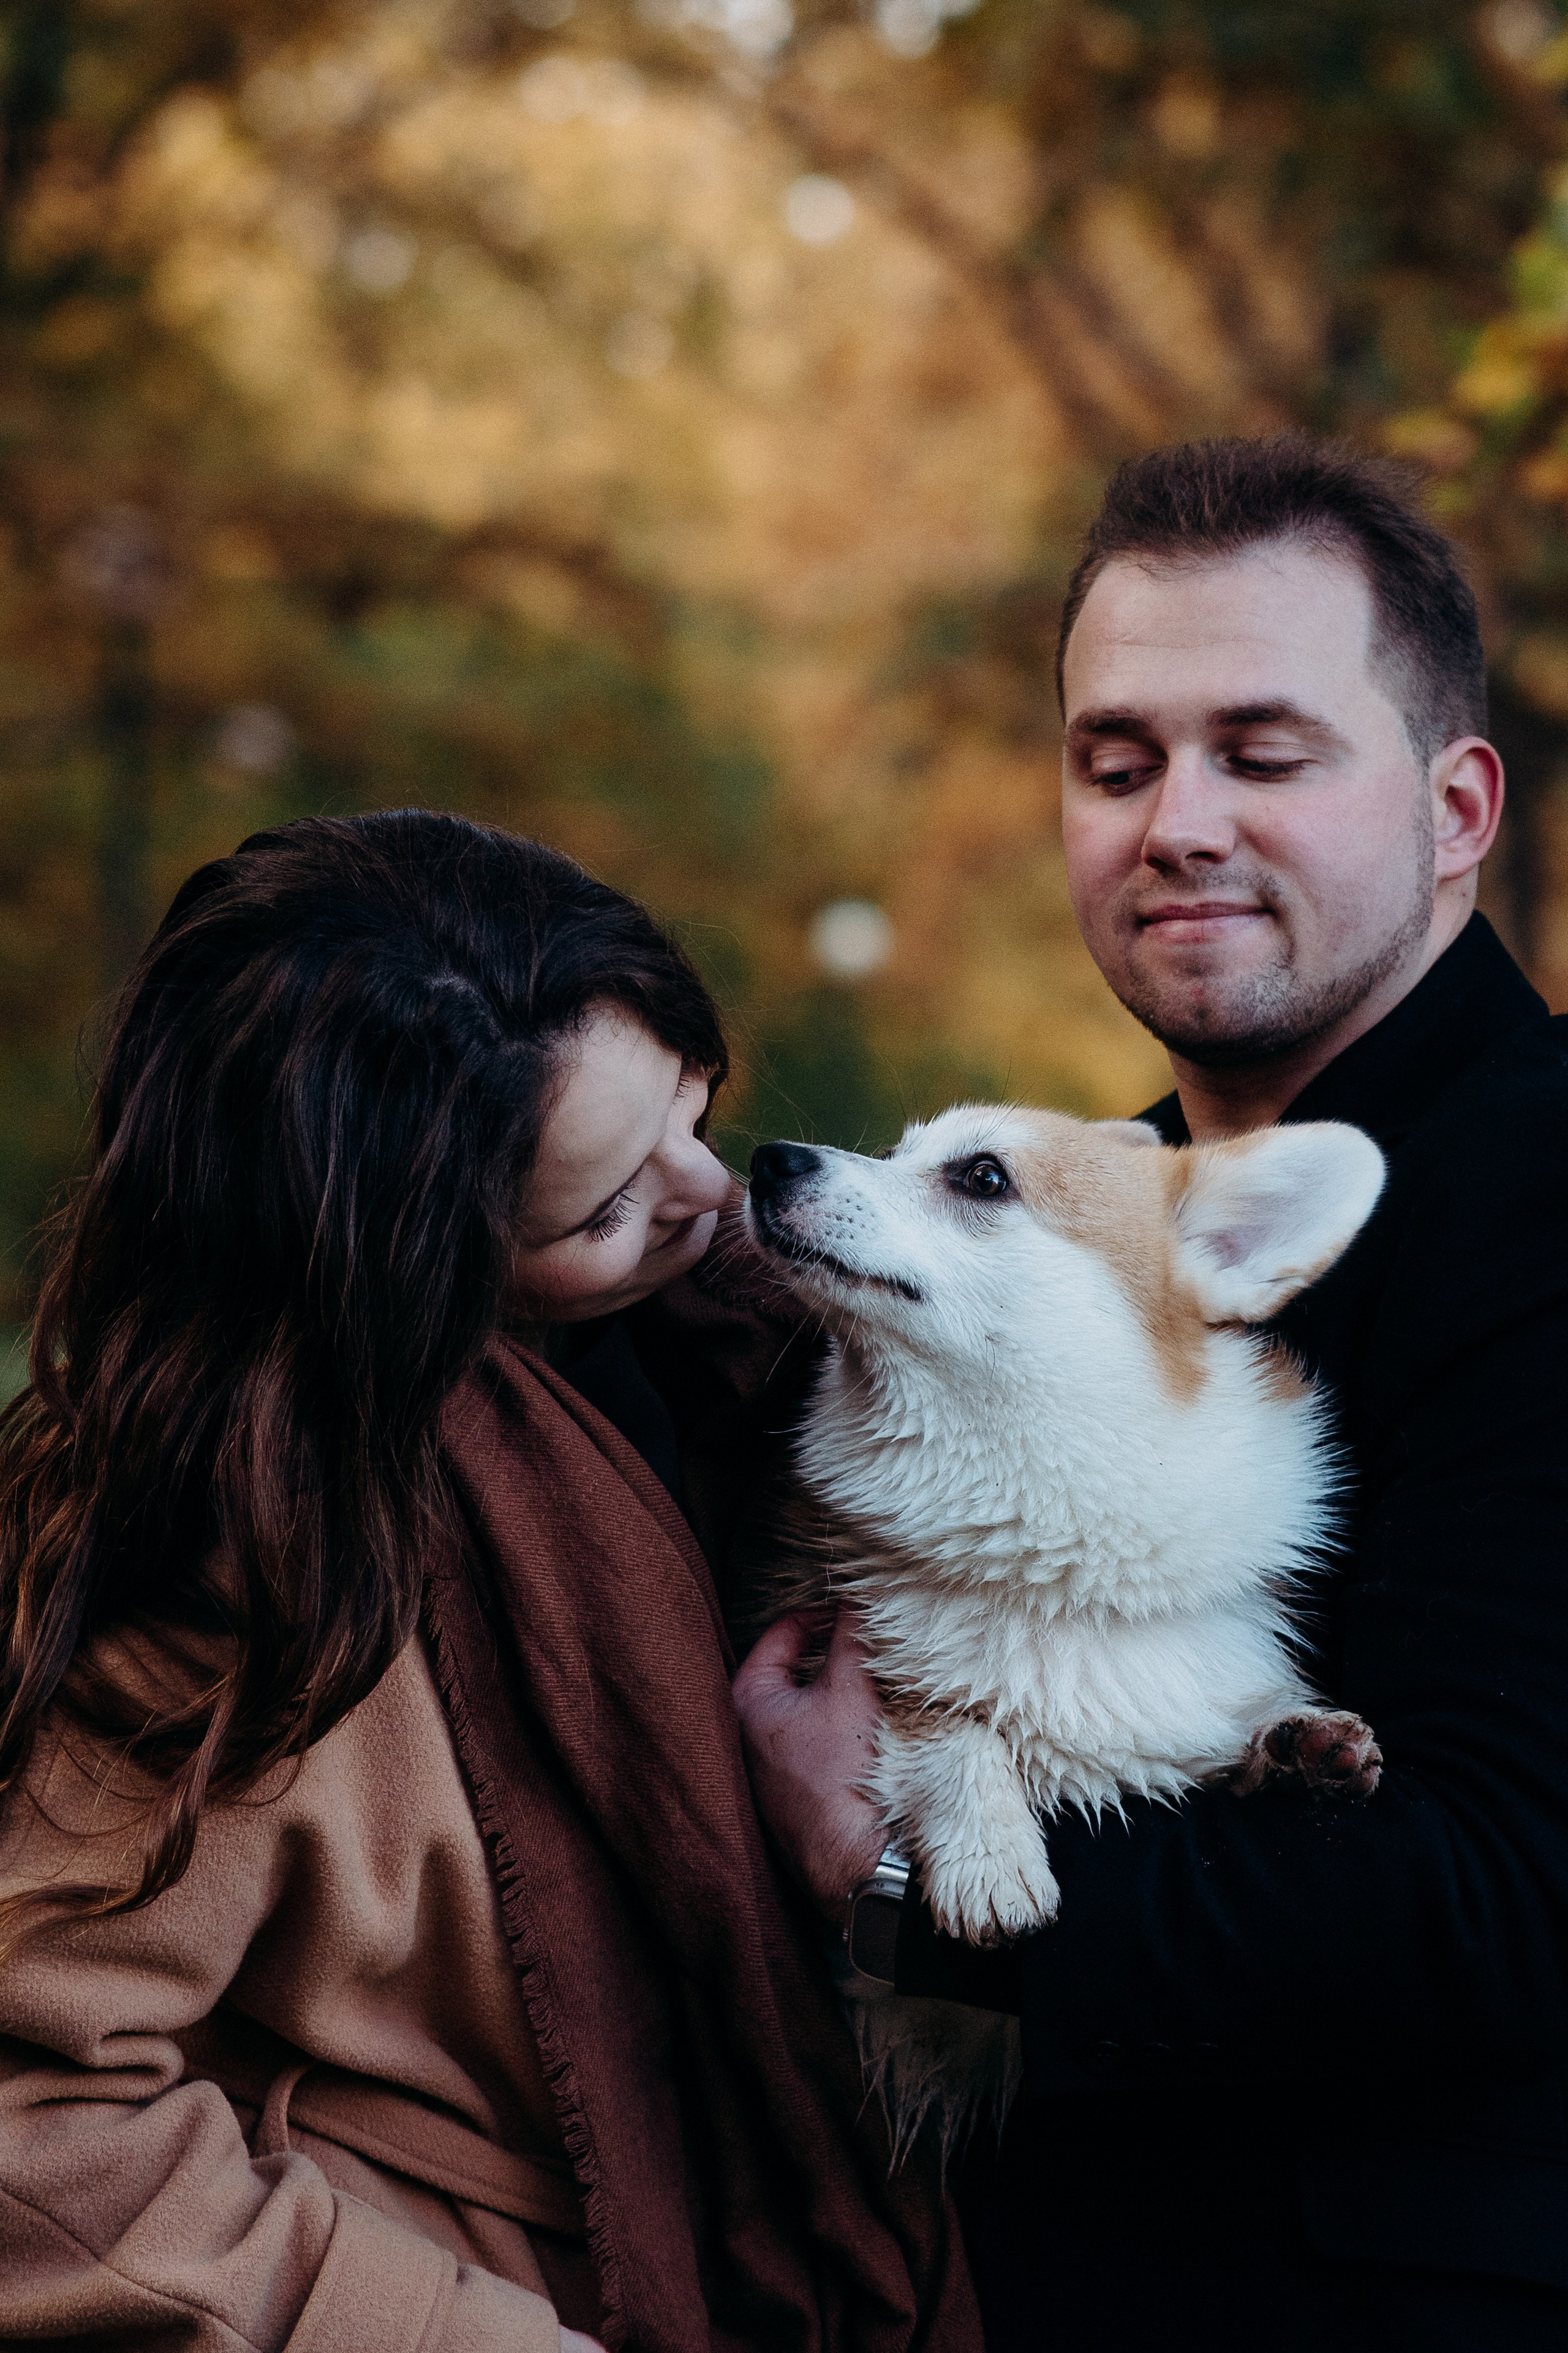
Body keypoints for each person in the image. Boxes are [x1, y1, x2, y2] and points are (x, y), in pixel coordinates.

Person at [734, 436, 1568, 2348]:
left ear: (1457, 807)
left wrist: (879, 1871)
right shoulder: (1054, 1220)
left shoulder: (1545, 1181)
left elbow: (1507, 1899)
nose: (1177, 821)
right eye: (1117, 764)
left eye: (1263, 755)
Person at [0, 812, 980, 2353]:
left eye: (687, 1097)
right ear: (404, 1262)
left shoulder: (784, 1367)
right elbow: (35, 2130)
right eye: (598, 1212)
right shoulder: (242, 1539)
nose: (708, 1194)